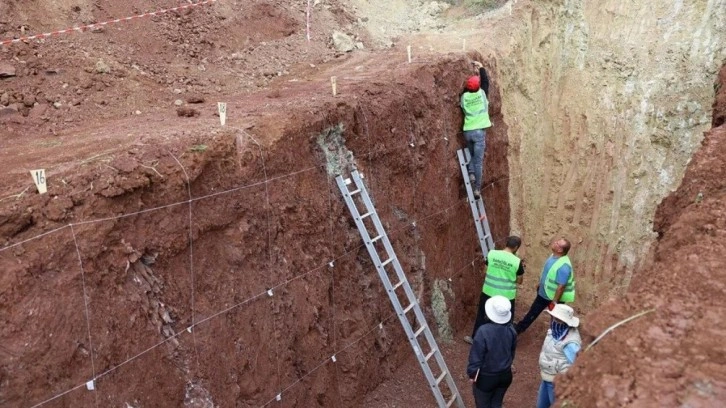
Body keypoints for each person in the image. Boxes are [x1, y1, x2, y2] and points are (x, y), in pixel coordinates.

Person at [464, 235, 525, 344]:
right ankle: (503, 343)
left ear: (506, 243)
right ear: (516, 247)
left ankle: (475, 338)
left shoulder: (492, 254)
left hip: (489, 291)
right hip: (506, 295)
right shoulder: (517, 261)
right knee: (506, 319)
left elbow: (485, 271)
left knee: (482, 315)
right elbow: (520, 280)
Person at [515, 237, 575, 335]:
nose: (554, 243)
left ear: (560, 250)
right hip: (544, 293)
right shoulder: (553, 256)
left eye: (557, 243)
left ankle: (557, 336)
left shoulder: (564, 266)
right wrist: (540, 283)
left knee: (555, 318)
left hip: (552, 298)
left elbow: (561, 286)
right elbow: (548, 272)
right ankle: (519, 329)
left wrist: (554, 302)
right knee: (533, 312)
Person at [467, 295, 517, 408]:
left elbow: (476, 357)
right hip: (505, 376)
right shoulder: (511, 330)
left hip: (486, 378)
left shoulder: (483, 331)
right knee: (497, 403)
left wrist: (472, 374)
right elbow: (512, 352)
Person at [536, 304, 581, 408]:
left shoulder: (571, 344)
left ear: (565, 322)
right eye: (552, 318)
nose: (552, 321)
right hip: (547, 378)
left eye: (557, 319)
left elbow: (578, 366)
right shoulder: (553, 332)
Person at [461, 60, 492, 199]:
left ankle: (471, 173)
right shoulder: (482, 94)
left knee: (473, 156)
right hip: (479, 133)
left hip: (467, 132)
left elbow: (467, 91)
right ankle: (477, 189)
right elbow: (485, 83)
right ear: (478, 87)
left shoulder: (464, 97)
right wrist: (481, 69)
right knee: (478, 161)